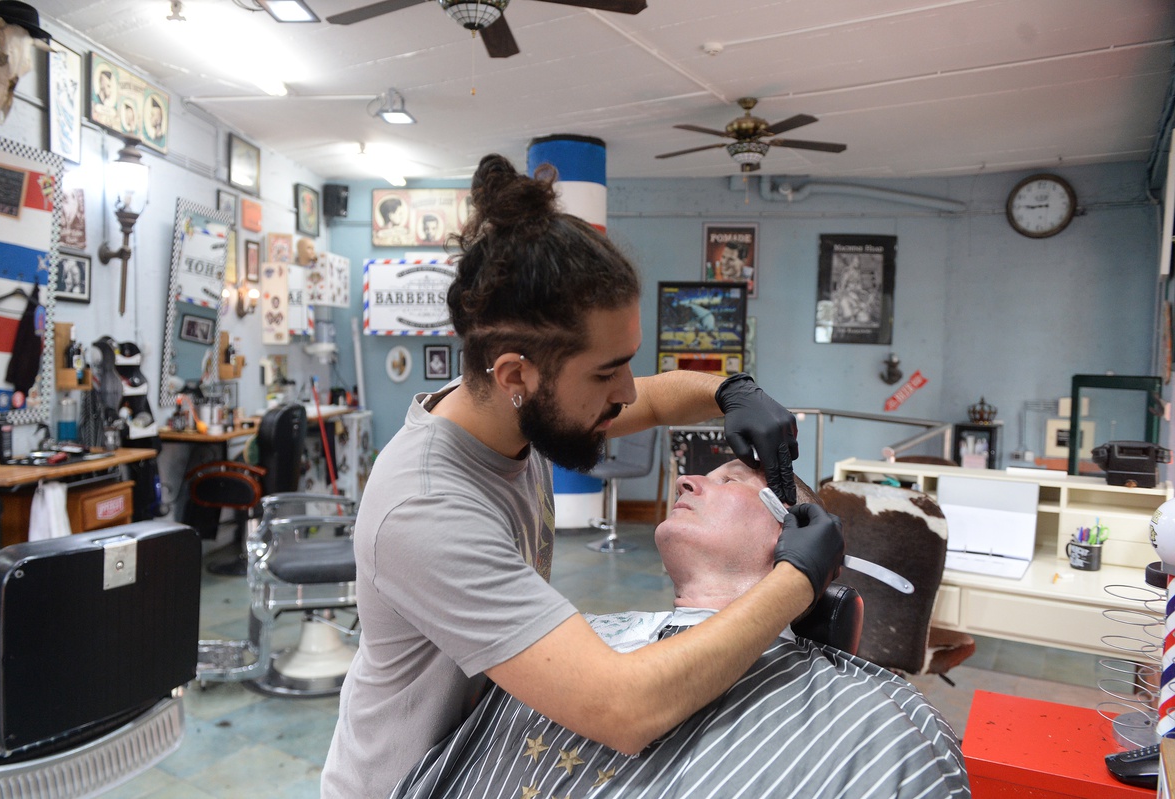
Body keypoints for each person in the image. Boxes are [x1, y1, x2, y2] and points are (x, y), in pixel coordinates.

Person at [321, 154, 841, 798]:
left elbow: (650, 398)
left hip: (483, 746)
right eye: (605, 372)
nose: (625, 390)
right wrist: (797, 581)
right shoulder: (425, 510)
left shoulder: (505, 410)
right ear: (516, 375)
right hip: (414, 780)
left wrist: (732, 391)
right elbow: (625, 708)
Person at [388, 460, 968, 799]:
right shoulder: (568, 639)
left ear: (794, 538)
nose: (689, 480)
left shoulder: (878, 717)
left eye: (731, 478)